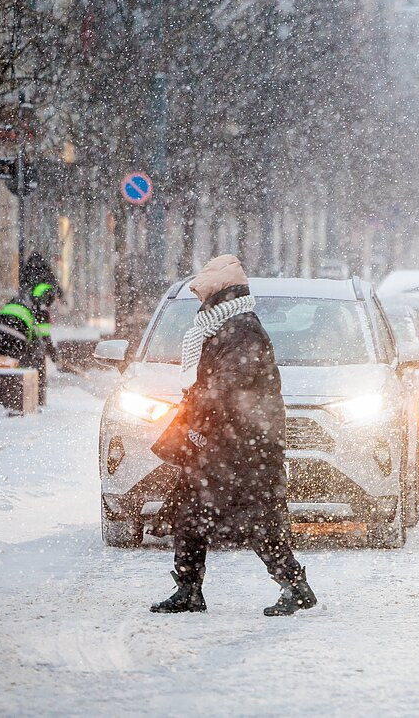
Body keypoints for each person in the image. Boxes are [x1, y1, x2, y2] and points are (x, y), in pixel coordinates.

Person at [150, 255, 317, 617]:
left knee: (259, 521)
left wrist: (197, 404)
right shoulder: (224, 327)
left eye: (204, 298)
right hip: (224, 443)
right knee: (191, 513)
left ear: (219, 297)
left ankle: (295, 586)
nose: (200, 304)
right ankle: (189, 589)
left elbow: (228, 387)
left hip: (245, 447)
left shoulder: (242, 331)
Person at [0, 262, 58, 406]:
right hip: (16, 330)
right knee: (21, 363)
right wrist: (53, 355)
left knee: (1, 361)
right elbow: (44, 337)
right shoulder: (42, 309)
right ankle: (15, 400)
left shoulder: (25, 297)